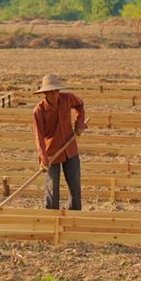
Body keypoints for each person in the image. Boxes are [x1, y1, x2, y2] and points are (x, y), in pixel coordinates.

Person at [32, 73, 87, 210]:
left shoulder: (68, 99)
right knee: (52, 188)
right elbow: (38, 137)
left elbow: (80, 104)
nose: (54, 94)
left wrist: (79, 123)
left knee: (75, 186)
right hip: (51, 153)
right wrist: (43, 158)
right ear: (45, 93)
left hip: (70, 149)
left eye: (56, 91)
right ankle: (52, 217)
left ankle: (74, 216)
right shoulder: (39, 111)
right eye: (50, 92)